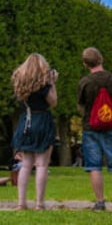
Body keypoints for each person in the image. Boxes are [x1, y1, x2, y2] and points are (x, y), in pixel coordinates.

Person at [77, 47, 112, 212]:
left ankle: (100, 203)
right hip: (111, 126)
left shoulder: (85, 82)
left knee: (94, 166)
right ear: (101, 59)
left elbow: (81, 106)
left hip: (90, 127)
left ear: (85, 64)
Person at [11, 53, 58, 210]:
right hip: (42, 120)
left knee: (25, 165)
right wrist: (52, 83)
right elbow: (53, 102)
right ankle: (39, 203)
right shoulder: (44, 84)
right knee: (42, 165)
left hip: (26, 122)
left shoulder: (20, 83)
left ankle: (21, 203)